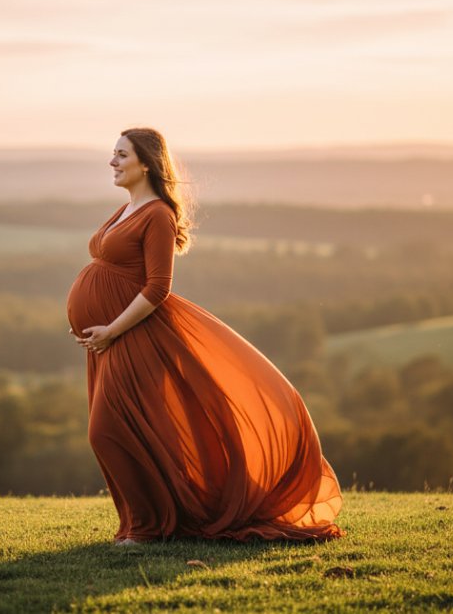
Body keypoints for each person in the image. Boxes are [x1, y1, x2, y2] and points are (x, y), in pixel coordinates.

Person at [65, 127, 344, 545]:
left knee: (107, 430)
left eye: (122, 155)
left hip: (134, 337)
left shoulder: (157, 214)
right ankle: (144, 525)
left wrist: (111, 329)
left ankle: (145, 530)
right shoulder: (125, 209)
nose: (113, 162)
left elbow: (158, 288)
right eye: (113, 154)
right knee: (138, 431)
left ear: (146, 163)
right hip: (108, 341)